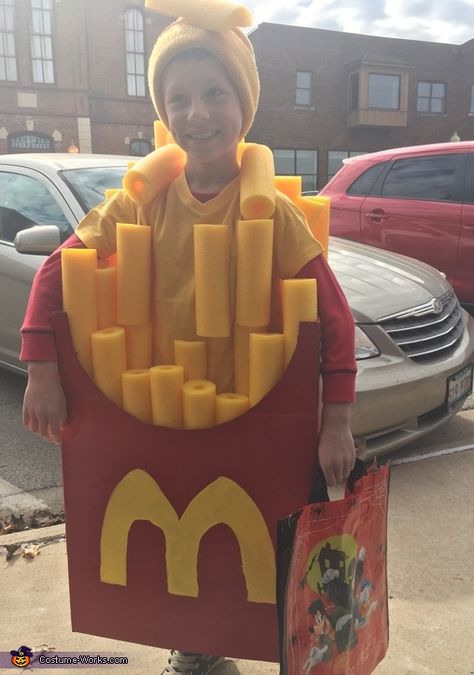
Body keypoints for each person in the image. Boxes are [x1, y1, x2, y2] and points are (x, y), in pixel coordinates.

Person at [21, 7, 357, 675]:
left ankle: (230, 640)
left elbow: (335, 318)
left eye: (215, 93)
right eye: (179, 98)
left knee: (252, 541)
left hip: (250, 398)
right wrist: (42, 367)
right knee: (170, 536)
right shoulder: (142, 198)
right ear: (163, 111)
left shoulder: (271, 210)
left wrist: (336, 421)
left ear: (244, 103)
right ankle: (198, 649)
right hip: (160, 399)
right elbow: (59, 268)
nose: (197, 113)